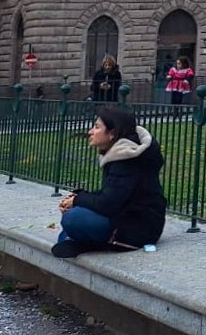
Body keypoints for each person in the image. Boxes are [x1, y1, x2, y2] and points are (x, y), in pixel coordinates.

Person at [52, 104, 166, 258]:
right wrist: (77, 198)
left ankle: (89, 242)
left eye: (97, 127)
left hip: (139, 228)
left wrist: (78, 200)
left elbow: (108, 204)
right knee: (68, 227)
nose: (90, 132)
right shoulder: (119, 154)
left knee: (73, 219)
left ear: (112, 133)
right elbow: (113, 194)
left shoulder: (127, 159)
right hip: (123, 218)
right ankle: (84, 241)